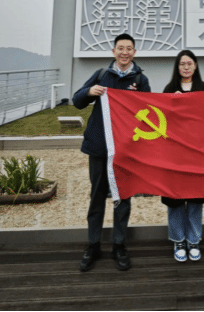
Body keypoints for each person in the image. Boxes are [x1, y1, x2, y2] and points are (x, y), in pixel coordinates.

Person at [73, 33, 151, 272]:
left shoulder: (140, 79)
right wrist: (90, 92)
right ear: (114, 51)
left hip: (125, 150)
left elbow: (150, 111)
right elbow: (77, 101)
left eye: (129, 49)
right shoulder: (101, 75)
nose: (124, 52)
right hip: (99, 148)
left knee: (122, 198)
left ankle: (119, 245)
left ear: (134, 52)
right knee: (96, 197)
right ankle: (93, 245)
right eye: (120, 48)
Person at [161, 50, 204, 262]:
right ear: (177, 66)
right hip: (174, 153)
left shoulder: (203, 88)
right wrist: (172, 104)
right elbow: (161, 121)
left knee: (194, 199)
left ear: (195, 65)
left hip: (196, 153)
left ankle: (193, 239)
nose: (186, 67)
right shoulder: (169, 89)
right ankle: (178, 240)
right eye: (182, 64)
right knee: (175, 199)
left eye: (189, 63)